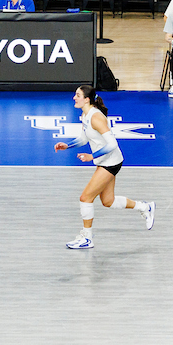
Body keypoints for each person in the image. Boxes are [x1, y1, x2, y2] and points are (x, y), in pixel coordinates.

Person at [55, 85, 156, 249]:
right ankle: (145, 207)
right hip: (106, 161)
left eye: (78, 95)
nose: (74, 98)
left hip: (110, 163)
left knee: (85, 198)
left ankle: (87, 238)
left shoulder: (96, 117)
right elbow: (84, 138)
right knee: (108, 201)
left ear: (87, 99)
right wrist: (68, 145)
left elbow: (112, 144)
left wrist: (91, 156)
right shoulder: (85, 115)